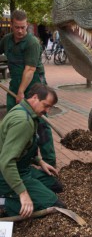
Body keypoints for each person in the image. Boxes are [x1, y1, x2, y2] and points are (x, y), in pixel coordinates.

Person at [0, 10, 56, 166]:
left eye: (23, 27)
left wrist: (21, 93)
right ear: (11, 25)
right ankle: (25, 160)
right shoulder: (6, 40)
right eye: (17, 27)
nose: (20, 31)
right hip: (16, 83)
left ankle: (50, 161)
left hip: (36, 86)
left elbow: (30, 70)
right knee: (16, 121)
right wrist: (18, 91)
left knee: (41, 124)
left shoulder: (32, 42)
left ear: (27, 25)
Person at [0, 83, 65, 217]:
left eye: (50, 107)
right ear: (35, 98)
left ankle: (25, 190)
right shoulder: (23, 121)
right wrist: (23, 193)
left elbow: (24, 147)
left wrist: (40, 161)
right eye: (46, 105)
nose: (47, 111)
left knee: (56, 186)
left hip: (22, 168)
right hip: (5, 173)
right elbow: (6, 162)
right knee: (54, 204)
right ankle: (4, 202)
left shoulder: (27, 111)